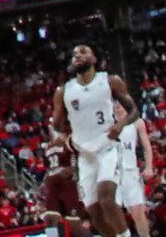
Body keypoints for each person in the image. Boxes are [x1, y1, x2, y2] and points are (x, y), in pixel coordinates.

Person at [53, 44, 138, 237]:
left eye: (83, 52)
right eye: (74, 54)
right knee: (93, 212)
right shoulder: (63, 91)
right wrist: (63, 134)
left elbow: (134, 111)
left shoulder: (109, 81)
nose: (77, 56)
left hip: (107, 148)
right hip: (84, 155)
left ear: (94, 59)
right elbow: (57, 125)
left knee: (106, 198)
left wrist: (120, 124)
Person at [114, 101, 153, 237]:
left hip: (130, 171)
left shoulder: (136, 122)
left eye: (120, 105)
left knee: (138, 213)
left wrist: (149, 167)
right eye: (115, 106)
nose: (118, 109)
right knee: (113, 215)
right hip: (111, 174)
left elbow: (147, 147)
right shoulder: (105, 124)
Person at [41, 129, 88, 237]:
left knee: (75, 226)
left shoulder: (70, 141)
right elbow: (48, 167)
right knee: (49, 219)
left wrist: (72, 172)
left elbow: (78, 163)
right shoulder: (47, 147)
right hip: (52, 185)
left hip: (68, 185)